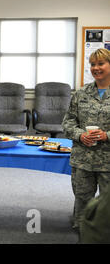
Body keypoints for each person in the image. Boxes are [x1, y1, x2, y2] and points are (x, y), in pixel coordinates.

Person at [62, 48, 110, 240]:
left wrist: (106, 135)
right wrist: (80, 135)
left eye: (101, 64)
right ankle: (83, 233)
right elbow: (67, 122)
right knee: (82, 200)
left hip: (108, 161)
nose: (96, 68)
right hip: (83, 160)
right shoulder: (81, 93)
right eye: (92, 64)